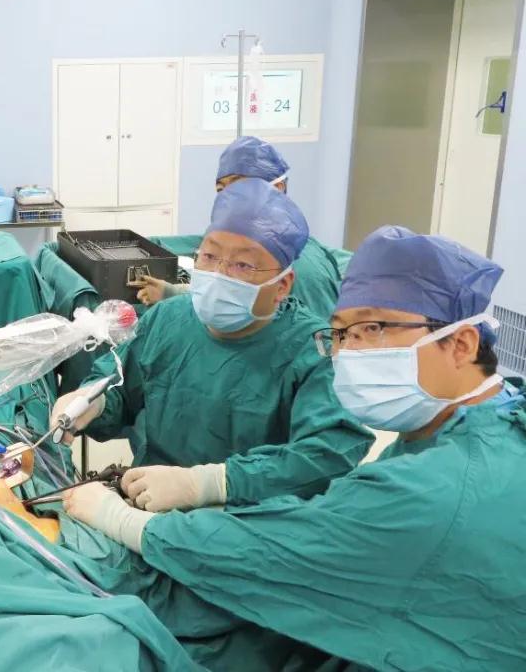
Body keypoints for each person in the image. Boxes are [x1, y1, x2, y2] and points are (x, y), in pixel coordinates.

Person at [64, 226, 526, 670]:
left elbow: (276, 548)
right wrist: (95, 399)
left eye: (373, 329)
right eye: (342, 333)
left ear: (462, 344)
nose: (350, 352)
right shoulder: (481, 421)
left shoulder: (441, 487)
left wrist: (127, 520)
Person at [52, 179, 373, 512]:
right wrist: (93, 401)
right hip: (150, 505)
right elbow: (118, 384)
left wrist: (214, 483)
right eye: (209, 256)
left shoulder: (315, 352)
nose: (220, 273)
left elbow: (328, 453)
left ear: (282, 285)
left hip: (252, 522)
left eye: (243, 265)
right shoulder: (167, 318)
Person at [135, 136, 350, 321]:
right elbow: (231, 296)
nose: (228, 196)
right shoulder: (233, 239)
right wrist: (173, 293)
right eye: (221, 189)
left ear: (277, 188)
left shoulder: (302, 268)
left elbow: (311, 337)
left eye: (239, 185)